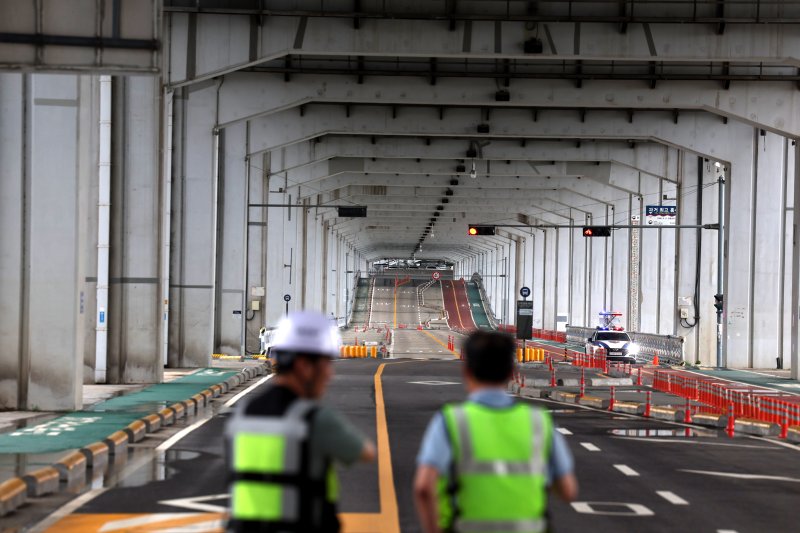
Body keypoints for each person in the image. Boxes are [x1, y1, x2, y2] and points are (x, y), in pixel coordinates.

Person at [226, 310, 376, 532]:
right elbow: (365, 452)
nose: (330, 375)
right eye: (326, 365)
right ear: (304, 366)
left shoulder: (242, 414)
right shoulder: (314, 419)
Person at [414, 331, 578, 533]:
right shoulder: (539, 422)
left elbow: (423, 486)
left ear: (467, 371)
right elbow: (568, 490)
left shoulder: (452, 420)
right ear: (512, 372)